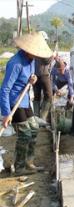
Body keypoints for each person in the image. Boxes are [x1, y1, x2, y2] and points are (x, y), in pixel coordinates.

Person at [0, 33, 52, 175]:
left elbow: (28, 78)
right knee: (24, 134)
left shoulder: (31, 61)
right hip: (13, 103)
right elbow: (4, 89)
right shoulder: (15, 63)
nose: (37, 55)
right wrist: (5, 114)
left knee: (34, 128)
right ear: (28, 50)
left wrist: (32, 80)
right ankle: (19, 167)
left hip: (24, 101)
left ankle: (29, 162)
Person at [33, 31, 54, 121]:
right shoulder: (42, 47)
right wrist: (52, 55)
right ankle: (42, 118)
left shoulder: (33, 46)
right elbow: (46, 61)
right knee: (49, 95)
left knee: (37, 96)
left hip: (34, 75)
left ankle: (37, 117)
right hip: (43, 75)